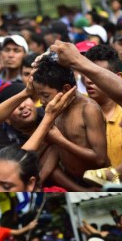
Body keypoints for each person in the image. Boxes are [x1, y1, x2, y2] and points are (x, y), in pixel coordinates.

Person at [32, 55, 109, 190]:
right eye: (39, 96)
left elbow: (100, 158)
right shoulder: (55, 108)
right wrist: (39, 181)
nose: (42, 101)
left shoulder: (89, 109)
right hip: (72, 180)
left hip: (97, 181)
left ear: (66, 90)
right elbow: (56, 149)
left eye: (45, 95)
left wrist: (61, 141)